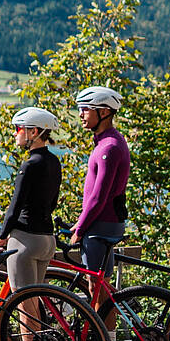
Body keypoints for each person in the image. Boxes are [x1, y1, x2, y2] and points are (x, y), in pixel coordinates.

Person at [0, 106, 62, 341]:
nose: (16, 134)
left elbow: (15, 207)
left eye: (19, 128)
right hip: (47, 239)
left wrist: (1, 237)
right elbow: (53, 202)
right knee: (34, 301)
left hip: (24, 241)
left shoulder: (30, 164)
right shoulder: (54, 162)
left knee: (24, 303)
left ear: (34, 132)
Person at [69, 85, 129, 286]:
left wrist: (81, 228)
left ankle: (99, 319)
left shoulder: (109, 147)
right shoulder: (107, 142)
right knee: (104, 289)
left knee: (96, 287)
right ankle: (105, 318)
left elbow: (99, 195)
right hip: (104, 223)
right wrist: (80, 222)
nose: (81, 114)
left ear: (104, 112)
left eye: (86, 109)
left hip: (100, 225)